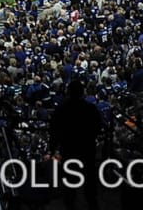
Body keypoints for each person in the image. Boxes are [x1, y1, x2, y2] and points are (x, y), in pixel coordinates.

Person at [49, 80, 103, 210]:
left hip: (69, 148)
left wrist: (52, 147)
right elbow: (98, 126)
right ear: (82, 92)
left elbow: (54, 129)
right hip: (86, 147)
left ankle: (72, 204)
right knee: (89, 181)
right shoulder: (90, 108)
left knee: (71, 181)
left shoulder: (62, 108)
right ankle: (91, 203)